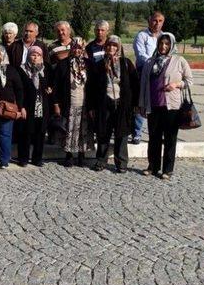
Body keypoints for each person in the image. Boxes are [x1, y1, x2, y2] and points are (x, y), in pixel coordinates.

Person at [139, 32, 193, 180]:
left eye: (167, 44)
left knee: (170, 138)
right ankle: (153, 166)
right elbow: (144, 85)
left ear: (172, 45)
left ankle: (167, 170)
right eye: (161, 43)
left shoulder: (179, 60)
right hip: (154, 106)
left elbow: (189, 81)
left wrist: (176, 84)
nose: (163, 46)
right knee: (154, 138)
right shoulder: (150, 62)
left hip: (172, 107)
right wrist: (142, 104)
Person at [88, 36, 139, 173]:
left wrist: (135, 104)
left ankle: (121, 162)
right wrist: (92, 106)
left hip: (122, 103)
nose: (111, 48)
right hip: (104, 102)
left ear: (119, 47)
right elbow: (92, 87)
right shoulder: (99, 64)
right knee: (103, 132)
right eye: (109, 45)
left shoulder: (126, 63)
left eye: (114, 45)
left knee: (121, 133)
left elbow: (135, 84)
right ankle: (101, 160)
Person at [53, 37, 94, 167]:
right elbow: (56, 86)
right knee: (69, 130)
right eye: (75, 47)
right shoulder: (63, 64)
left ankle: (82, 156)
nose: (77, 50)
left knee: (83, 130)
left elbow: (94, 86)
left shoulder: (89, 64)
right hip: (69, 102)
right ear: (71, 48)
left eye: (80, 48)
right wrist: (56, 104)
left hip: (85, 103)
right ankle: (69, 156)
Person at [132, 11, 165, 144]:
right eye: (155, 20)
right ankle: (137, 133)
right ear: (149, 20)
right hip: (144, 72)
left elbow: (171, 53)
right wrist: (155, 64)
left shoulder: (165, 37)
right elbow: (141, 55)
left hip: (161, 74)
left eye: (160, 21)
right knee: (142, 102)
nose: (157, 23)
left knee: (159, 103)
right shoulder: (142, 36)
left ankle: (159, 132)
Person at [17, 46, 52, 167]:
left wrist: (50, 88)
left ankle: (37, 158)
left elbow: (51, 83)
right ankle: (23, 158)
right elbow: (19, 89)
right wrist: (21, 107)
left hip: (42, 106)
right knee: (25, 133)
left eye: (38, 55)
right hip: (27, 106)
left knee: (40, 133)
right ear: (28, 56)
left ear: (41, 57)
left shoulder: (46, 68)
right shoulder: (21, 69)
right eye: (33, 54)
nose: (35, 57)